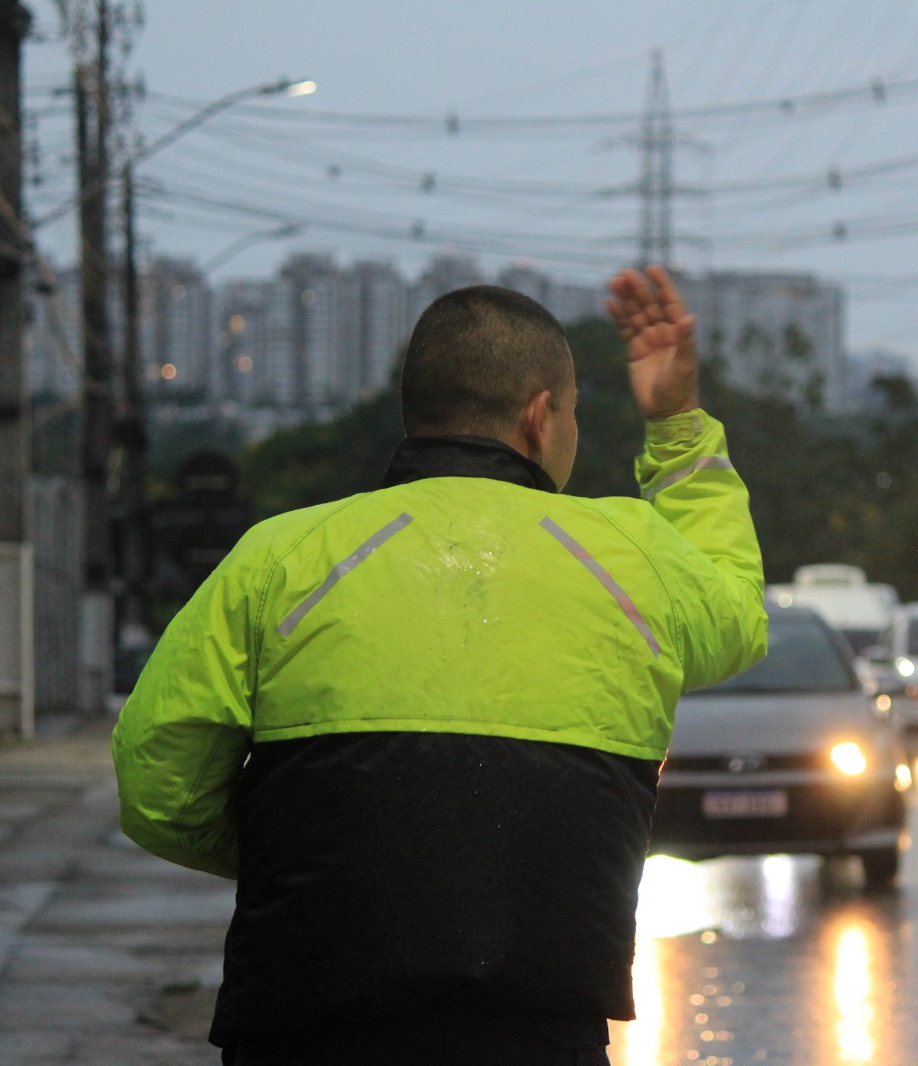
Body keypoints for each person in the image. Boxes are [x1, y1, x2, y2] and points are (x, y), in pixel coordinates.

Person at [112, 266, 767, 1065]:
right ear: (539, 418)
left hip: (297, 1026)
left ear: (412, 412)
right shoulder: (628, 562)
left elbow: (156, 784)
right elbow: (736, 613)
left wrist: (315, 857)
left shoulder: (277, 560)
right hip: (537, 1032)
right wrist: (677, 426)